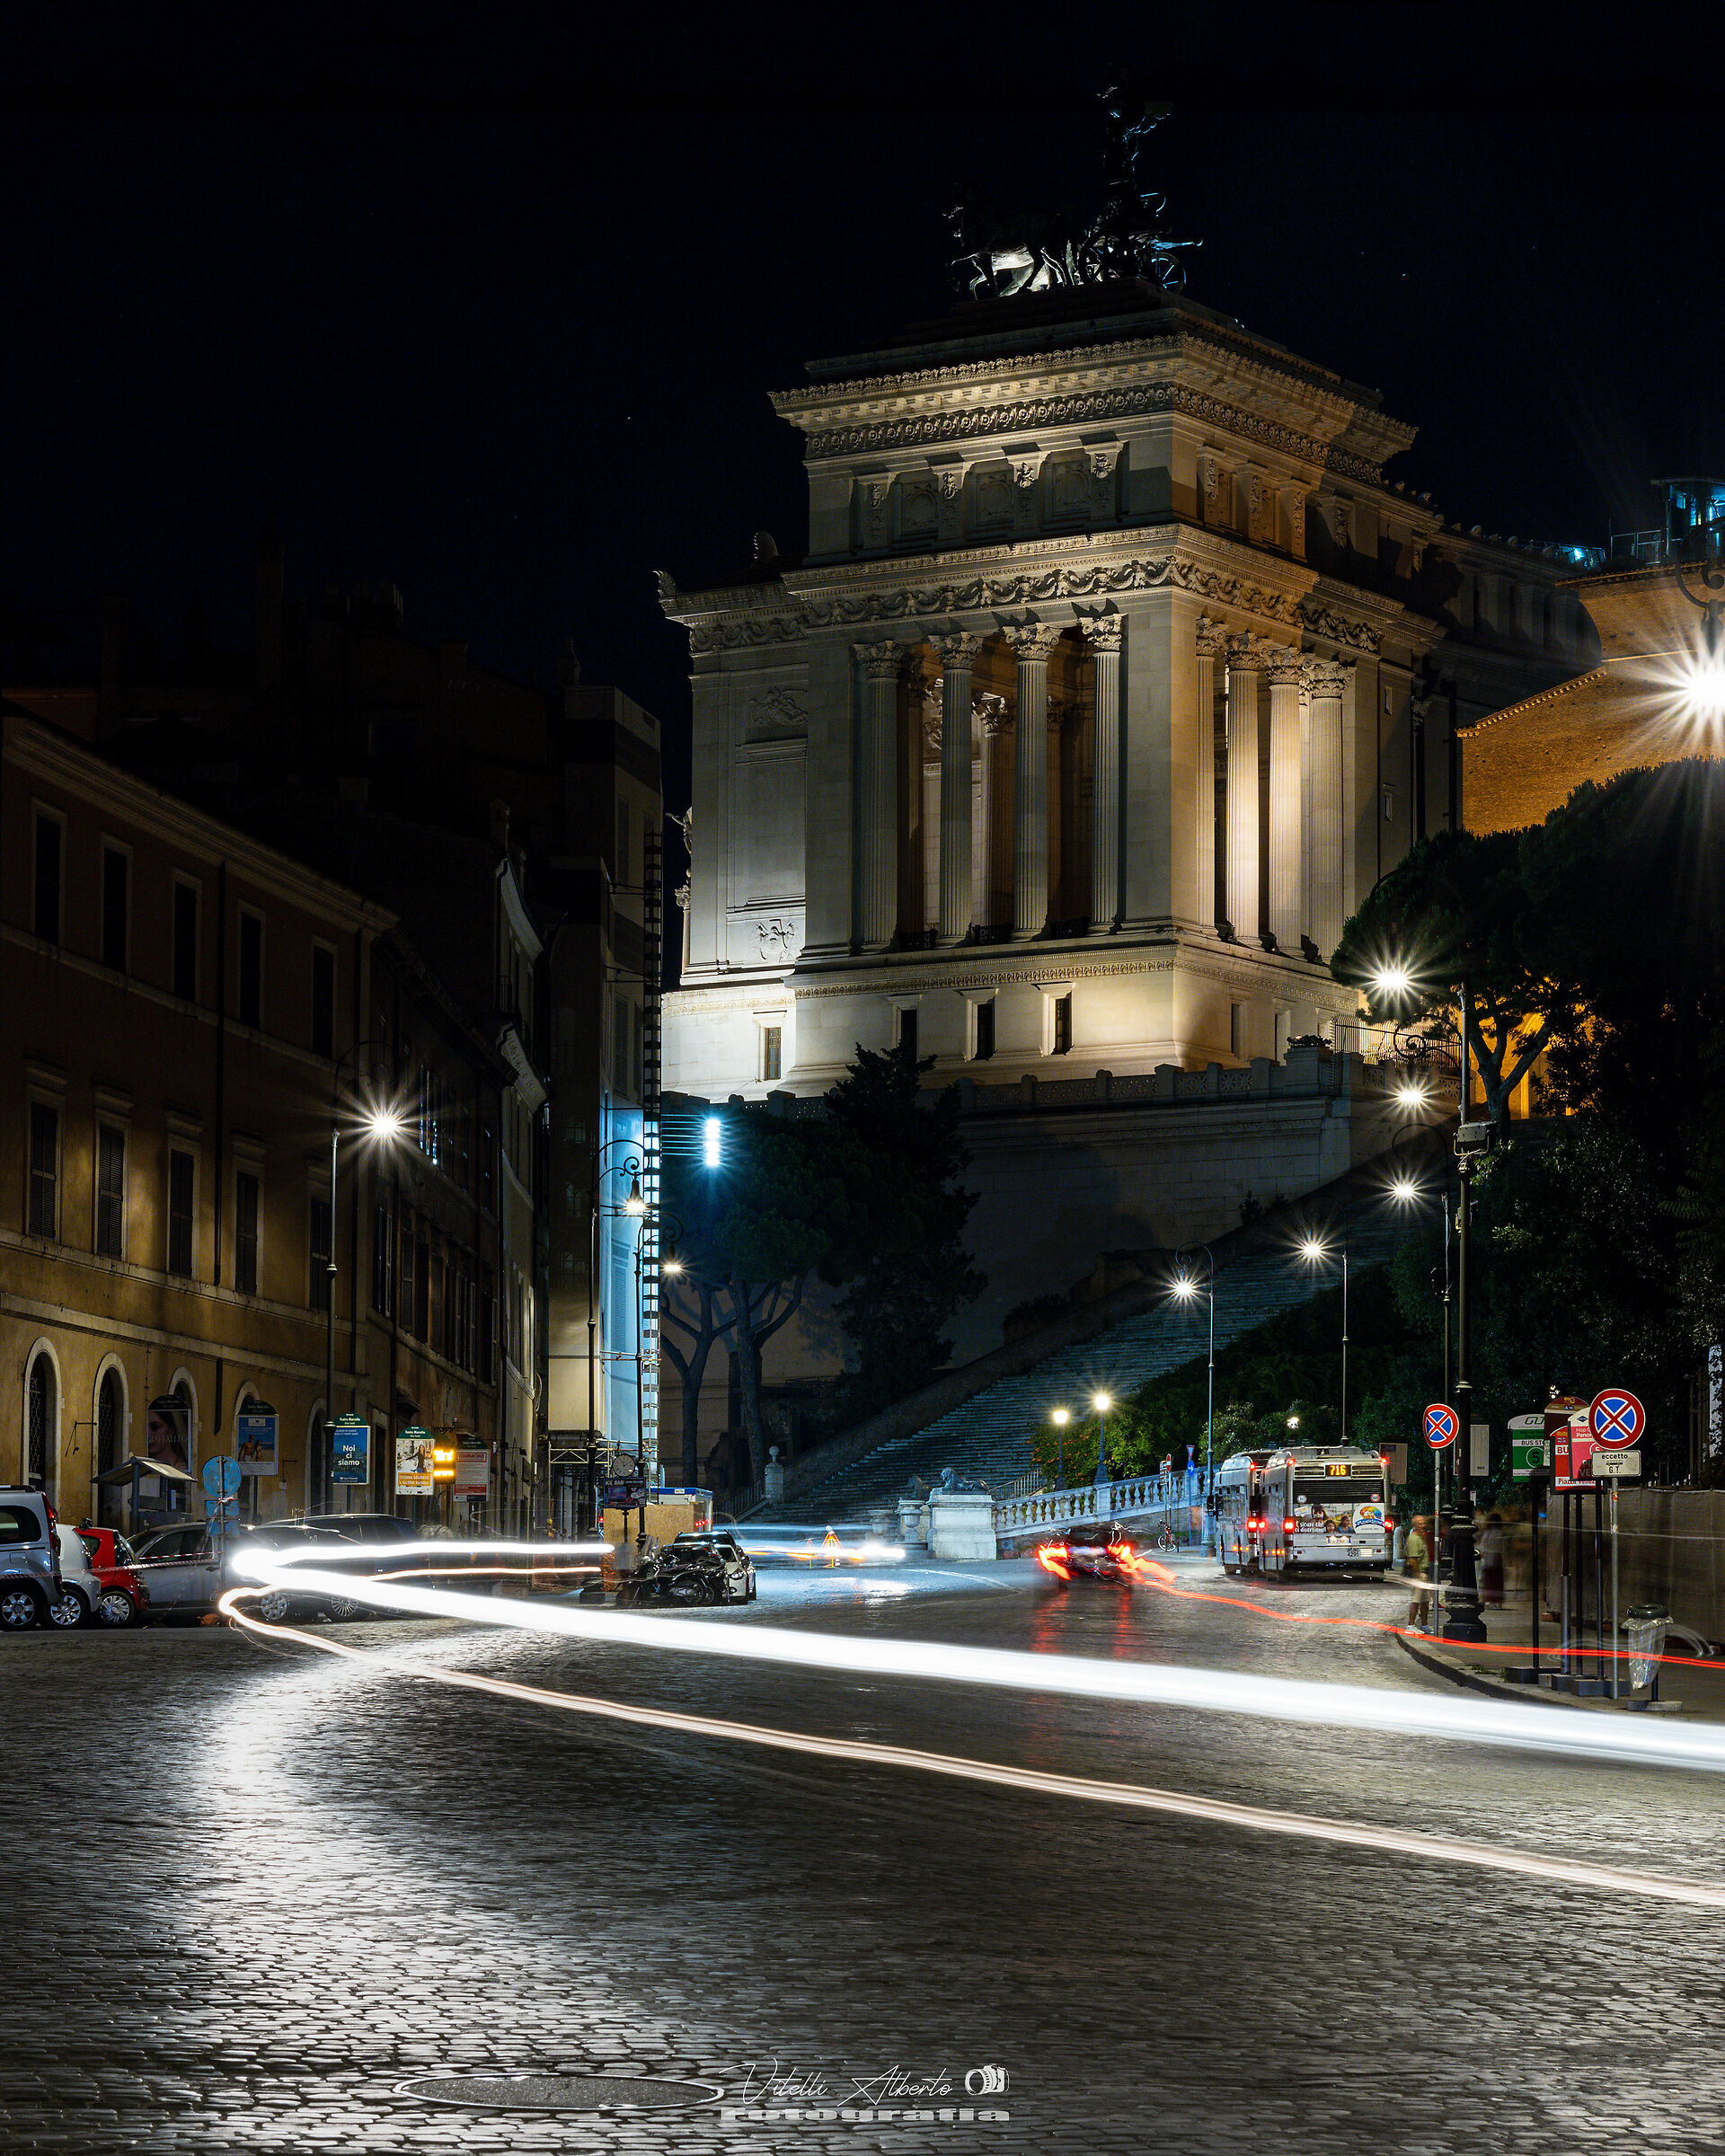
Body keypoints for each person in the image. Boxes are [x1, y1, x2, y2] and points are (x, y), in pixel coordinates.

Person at [1404, 1513, 1432, 1628]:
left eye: (1424, 1523)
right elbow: (1413, 1559)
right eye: (1420, 1524)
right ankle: (1411, 1625)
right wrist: (1418, 1573)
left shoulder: (1421, 1537)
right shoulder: (1414, 1539)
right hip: (1419, 1574)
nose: (1423, 1525)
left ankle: (1424, 1625)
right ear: (1414, 1526)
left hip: (1424, 1572)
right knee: (1416, 1600)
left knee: (1425, 1601)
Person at [1479, 1510, 1506, 1607]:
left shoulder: (1490, 1532)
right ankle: (1495, 1601)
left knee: (1490, 1579)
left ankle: (1492, 1600)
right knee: (1495, 1580)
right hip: (1494, 1558)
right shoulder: (1499, 1532)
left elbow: (1485, 1545)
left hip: (1491, 1558)